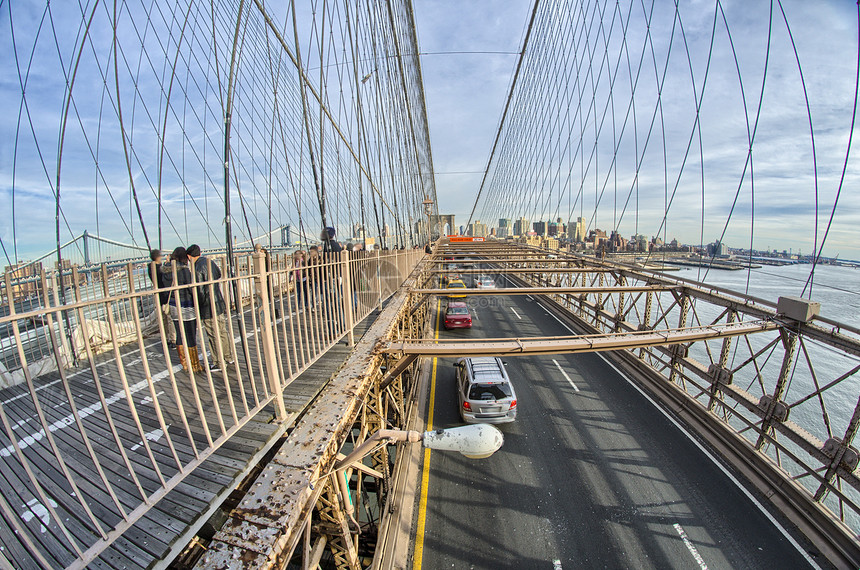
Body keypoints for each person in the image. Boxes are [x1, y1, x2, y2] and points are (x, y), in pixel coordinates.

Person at [187, 244, 234, 371]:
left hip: (208, 307)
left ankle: (218, 362)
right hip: (218, 302)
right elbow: (218, 275)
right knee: (222, 331)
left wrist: (200, 305)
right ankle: (228, 357)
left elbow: (200, 291)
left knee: (213, 334)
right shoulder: (210, 262)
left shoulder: (196, 268)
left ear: (189, 256)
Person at [161, 247, 204, 373]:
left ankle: (184, 363)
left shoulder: (167, 271)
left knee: (180, 334)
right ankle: (195, 364)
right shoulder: (184, 271)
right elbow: (191, 289)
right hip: (186, 305)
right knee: (190, 334)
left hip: (174, 306)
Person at [148, 249, 176, 348]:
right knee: (169, 318)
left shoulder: (150, 268)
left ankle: (166, 338)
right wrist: (168, 264)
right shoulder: (160, 268)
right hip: (165, 295)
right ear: (158, 257)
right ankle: (173, 339)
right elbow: (166, 278)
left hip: (158, 295)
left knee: (163, 319)